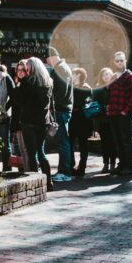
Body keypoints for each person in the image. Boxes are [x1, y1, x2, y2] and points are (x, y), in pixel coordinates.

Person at [19, 57, 54, 191]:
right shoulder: (48, 82)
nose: (26, 70)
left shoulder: (27, 81)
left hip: (29, 122)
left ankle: (36, 185)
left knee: (32, 154)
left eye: (27, 68)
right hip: (43, 122)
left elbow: (20, 101)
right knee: (41, 152)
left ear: (32, 68)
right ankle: (49, 181)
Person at [106, 52, 132, 177]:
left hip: (124, 114)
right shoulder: (114, 76)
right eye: (117, 61)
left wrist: (126, 110)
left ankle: (127, 167)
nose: (120, 62)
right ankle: (122, 165)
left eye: (121, 60)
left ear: (125, 61)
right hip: (113, 113)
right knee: (118, 141)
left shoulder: (130, 76)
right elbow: (109, 93)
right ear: (114, 62)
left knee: (125, 140)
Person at [46, 47, 73, 183]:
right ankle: (64, 170)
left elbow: (60, 93)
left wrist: (53, 106)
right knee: (64, 142)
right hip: (64, 110)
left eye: (47, 59)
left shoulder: (60, 69)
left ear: (51, 57)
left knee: (63, 143)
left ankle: (65, 172)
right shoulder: (63, 67)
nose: (47, 62)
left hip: (61, 110)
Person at [69, 67, 93, 177]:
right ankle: (71, 165)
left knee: (83, 145)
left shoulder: (86, 88)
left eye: (73, 74)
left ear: (78, 75)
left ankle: (82, 167)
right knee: (70, 144)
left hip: (83, 121)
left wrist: (75, 107)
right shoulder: (72, 87)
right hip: (72, 121)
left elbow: (87, 104)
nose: (71, 75)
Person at [93, 68, 116, 173]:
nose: (106, 76)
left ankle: (113, 164)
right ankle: (105, 163)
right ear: (101, 77)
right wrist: (103, 108)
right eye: (104, 75)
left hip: (113, 119)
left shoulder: (115, 88)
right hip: (102, 121)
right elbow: (94, 105)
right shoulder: (98, 89)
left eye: (108, 74)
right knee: (104, 144)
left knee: (113, 143)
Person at [10, 60, 31, 172]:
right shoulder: (19, 83)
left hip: (23, 120)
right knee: (22, 150)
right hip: (18, 120)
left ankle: (29, 174)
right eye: (18, 70)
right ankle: (26, 172)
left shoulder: (26, 84)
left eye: (23, 70)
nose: (20, 72)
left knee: (25, 149)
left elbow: (20, 102)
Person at [0, 65, 15, 173]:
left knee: (4, 142)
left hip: (4, 116)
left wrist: (4, 108)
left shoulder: (6, 78)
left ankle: (7, 167)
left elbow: (13, 97)